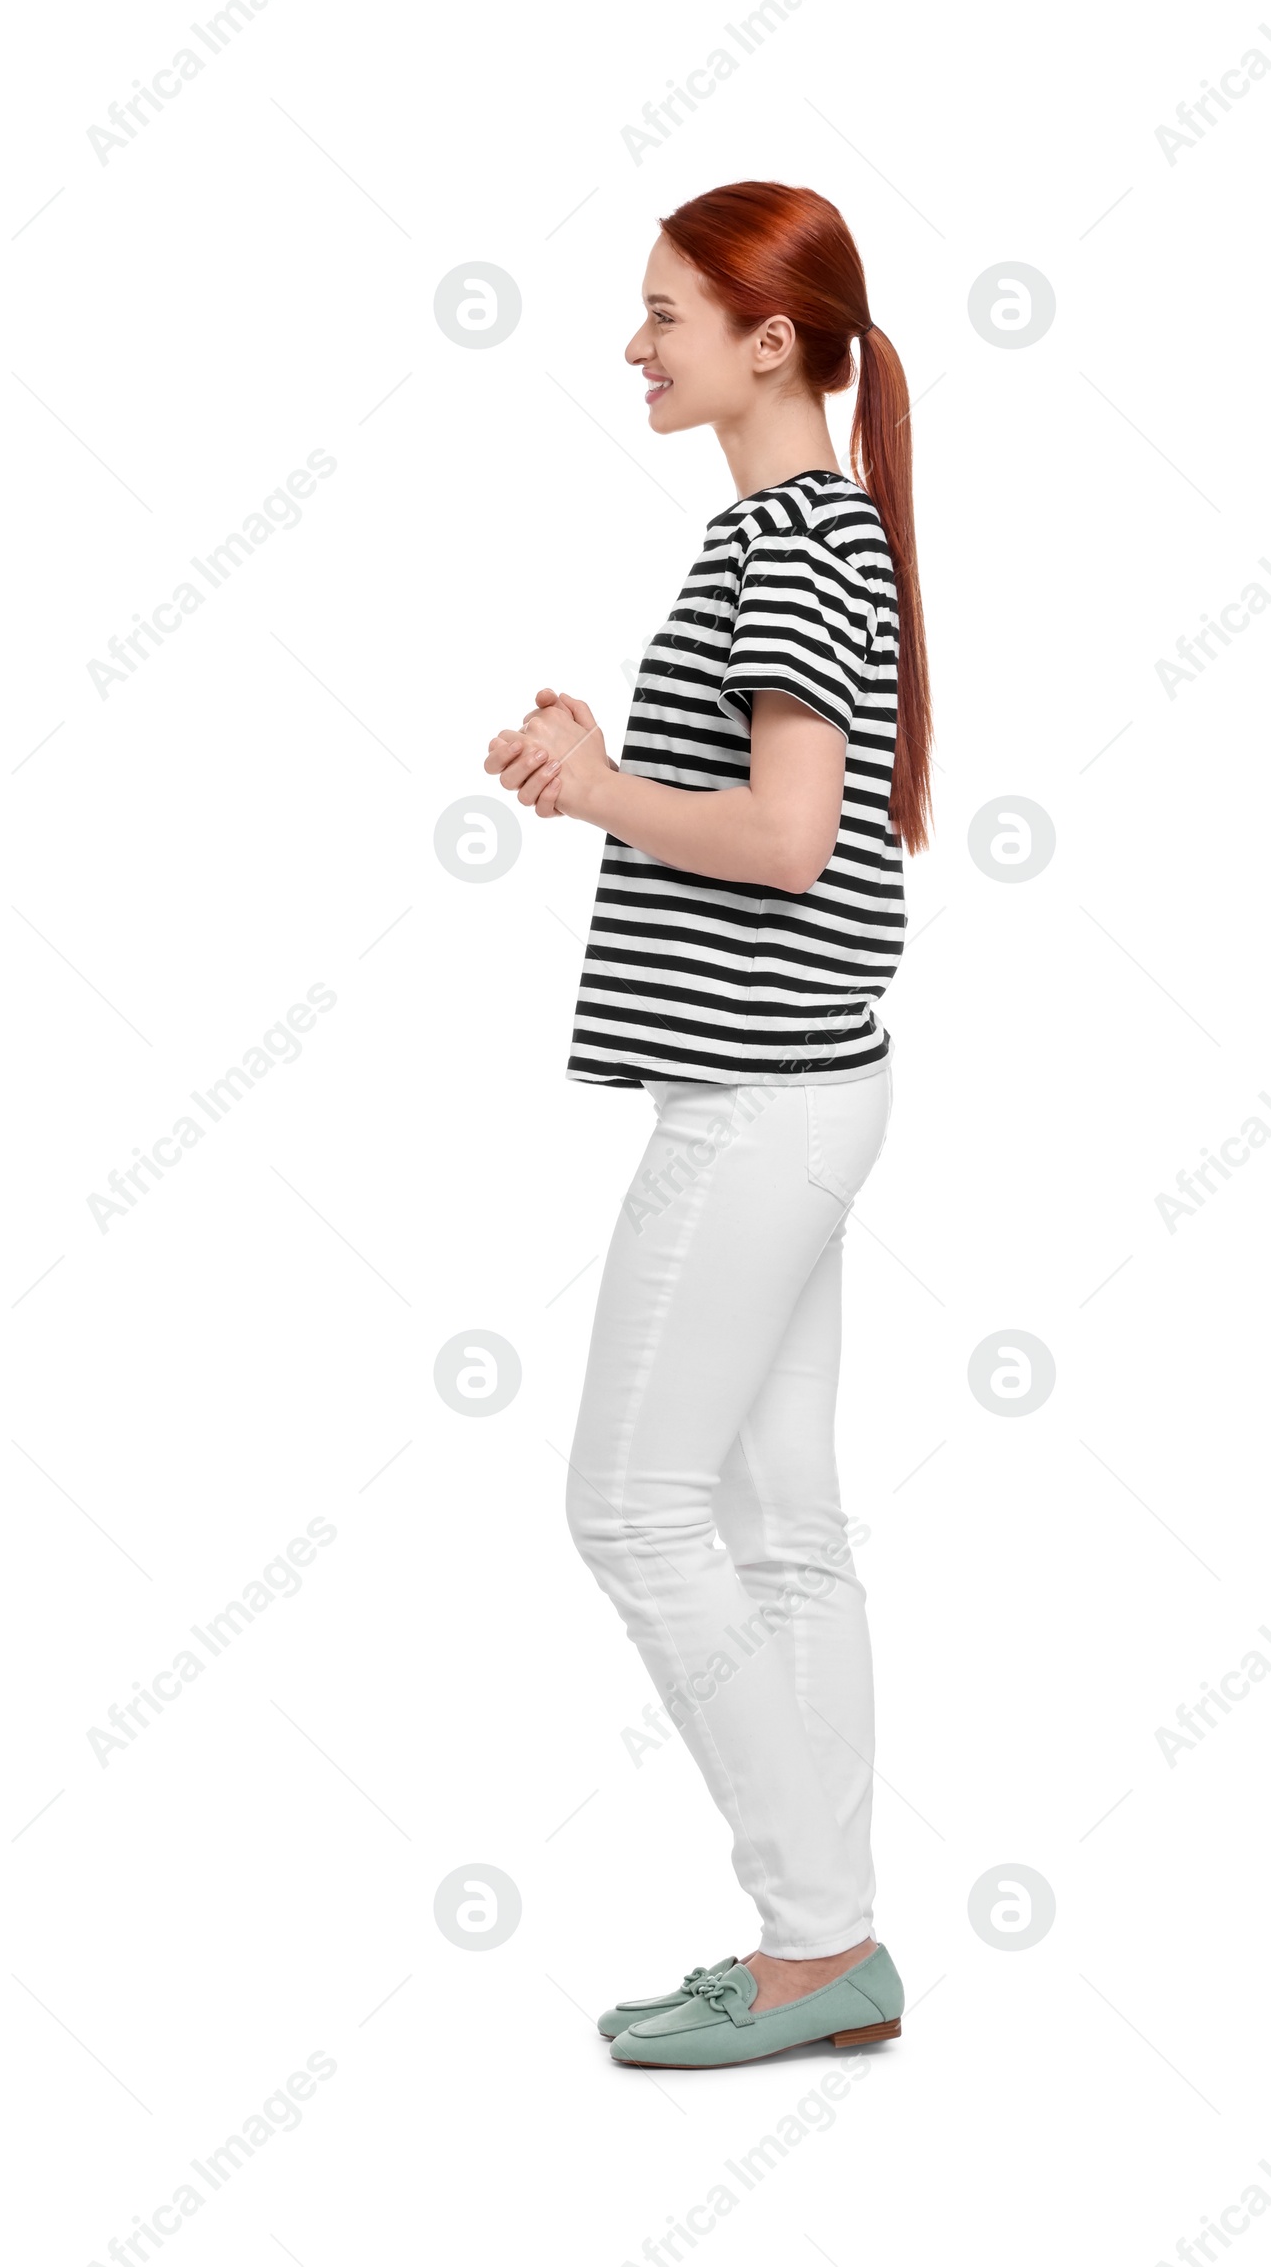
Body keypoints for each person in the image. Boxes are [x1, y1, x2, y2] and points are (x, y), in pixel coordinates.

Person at [486, 180, 933, 2069]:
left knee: (631, 1506)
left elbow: (790, 841)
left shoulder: (793, 547)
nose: (634, 344)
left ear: (772, 341)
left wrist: (599, 794)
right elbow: (766, 807)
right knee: (775, 1523)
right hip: (805, 1084)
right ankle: (826, 1941)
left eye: (666, 312)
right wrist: (616, 764)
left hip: (759, 1105)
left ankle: (816, 1940)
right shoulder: (796, 532)